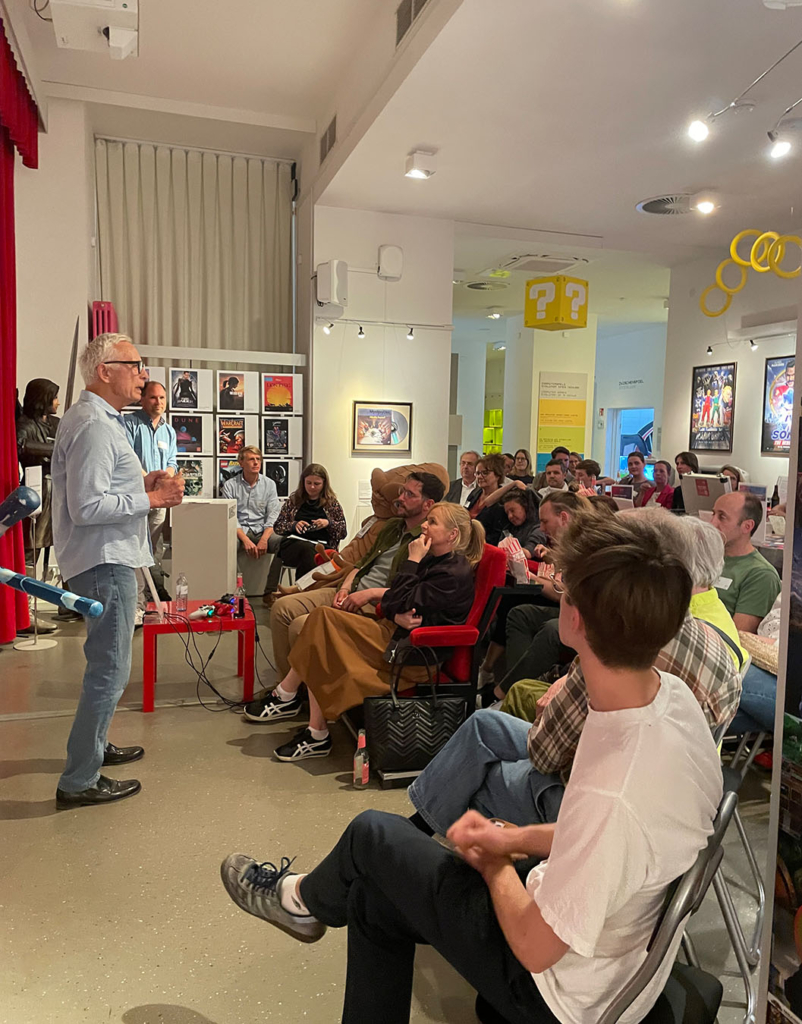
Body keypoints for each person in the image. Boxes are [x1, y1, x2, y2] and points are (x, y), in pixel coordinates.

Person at [220, 511, 723, 1024]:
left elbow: (536, 948)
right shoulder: (671, 701)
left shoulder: (613, 790)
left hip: (557, 995)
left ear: (575, 619)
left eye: (564, 586)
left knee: (372, 833)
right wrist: (515, 839)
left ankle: (300, 900)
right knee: (376, 891)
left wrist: (493, 861)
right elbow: (601, 835)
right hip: (611, 949)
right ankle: (306, 903)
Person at [408, 512, 740, 833]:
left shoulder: (609, 657)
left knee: (477, 779)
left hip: (593, 813)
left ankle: (429, 840)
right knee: (484, 726)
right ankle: (421, 829)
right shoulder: (719, 650)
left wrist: (558, 702)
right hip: (671, 810)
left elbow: (546, 756)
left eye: (568, 584)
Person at [51, 334, 184, 809]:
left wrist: (143, 481)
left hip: (104, 556)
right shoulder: (93, 424)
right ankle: (79, 779)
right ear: (105, 371)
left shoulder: (100, 419)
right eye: (135, 364)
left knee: (106, 664)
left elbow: (101, 487)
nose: (143, 374)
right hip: (104, 558)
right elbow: (87, 506)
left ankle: (95, 745)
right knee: (110, 668)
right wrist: (153, 497)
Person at [250, 503, 483, 761]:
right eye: (427, 520)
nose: (425, 526)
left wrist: (410, 566)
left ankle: (295, 706)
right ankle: (308, 722)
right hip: (394, 632)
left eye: (433, 522)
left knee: (322, 624)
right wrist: (396, 610)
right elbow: (395, 598)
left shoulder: (452, 572)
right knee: (321, 618)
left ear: (452, 534)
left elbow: (398, 598)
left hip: (412, 654)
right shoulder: (433, 558)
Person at [259, 472, 445, 694]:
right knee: (282, 608)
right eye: (402, 491)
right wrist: (346, 587)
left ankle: (297, 694)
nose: (400, 498)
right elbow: (361, 564)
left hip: (374, 604)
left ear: (428, 504)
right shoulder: (392, 527)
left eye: (409, 494)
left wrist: (367, 594)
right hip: (350, 589)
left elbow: (409, 591)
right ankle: (286, 691)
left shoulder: (426, 542)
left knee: (301, 626)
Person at [477, 492, 586, 696]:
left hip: (587, 614)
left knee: (550, 628)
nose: (542, 528)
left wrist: (530, 577)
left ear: (564, 517)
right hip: (575, 606)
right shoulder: (570, 544)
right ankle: (517, 689)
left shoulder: (584, 546)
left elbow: (565, 594)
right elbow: (564, 588)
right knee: (519, 613)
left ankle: (504, 691)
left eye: (545, 522)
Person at [124, 380, 178, 615]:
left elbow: (172, 461)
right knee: (135, 548)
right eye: (154, 397)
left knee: (153, 550)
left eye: (162, 398)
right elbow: (128, 459)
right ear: (143, 399)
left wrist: (167, 480)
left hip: (160, 500)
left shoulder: (169, 430)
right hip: (137, 497)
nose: (159, 402)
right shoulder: (129, 424)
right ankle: (135, 603)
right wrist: (149, 480)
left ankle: (149, 599)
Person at [15, 377, 61, 636]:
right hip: (37, 488)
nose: (57, 402)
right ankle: (26, 612)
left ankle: (65, 603)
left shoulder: (55, 423)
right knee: (31, 548)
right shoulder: (26, 423)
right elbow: (20, 445)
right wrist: (52, 450)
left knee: (53, 546)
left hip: (57, 488)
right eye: (53, 397)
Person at [712, 491, 781, 632]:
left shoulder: (761, 575)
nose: (712, 523)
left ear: (747, 526)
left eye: (722, 517)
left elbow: (737, 636)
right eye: (713, 514)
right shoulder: (707, 560)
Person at [268, 464, 347, 577]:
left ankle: (302, 586)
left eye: (316, 484)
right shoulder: (294, 500)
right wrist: (293, 525)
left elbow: (343, 532)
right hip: (294, 545)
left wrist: (328, 523)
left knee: (312, 552)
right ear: (303, 482)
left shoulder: (332, 504)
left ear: (324, 484)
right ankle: (308, 586)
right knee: (308, 550)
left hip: (322, 547)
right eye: (308, 483)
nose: (312, 487)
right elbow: (278, 527)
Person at [221, 446, 281, 588]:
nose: (256, 463)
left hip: (262, 530)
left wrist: (264, 539)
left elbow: (273, 514)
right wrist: (245, 540)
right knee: (227, 545)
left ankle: (270, 590)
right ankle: (235, 590)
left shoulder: (269, 484)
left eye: (258, 459)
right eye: (251, 459)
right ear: (241, 463)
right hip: (240, 531)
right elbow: (231, 517)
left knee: (283, 544)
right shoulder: (230, 485)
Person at [467, 454, 512, 545]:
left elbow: (497, 534)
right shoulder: (475, 493)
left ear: (497, 475)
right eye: (478, 473)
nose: (480, 477)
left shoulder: (503, 500)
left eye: (485, 473)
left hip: (486, 545)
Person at [499, 488, 544, 557]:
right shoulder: (508, 529)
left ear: (525, 507)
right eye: (507, 513)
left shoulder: (539, 528)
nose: (510, 516)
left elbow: (529, 552)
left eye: (512, 510)